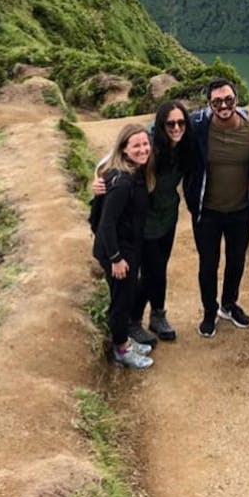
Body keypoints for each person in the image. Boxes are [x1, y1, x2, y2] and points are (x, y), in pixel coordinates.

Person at [184, 78, 249, 339]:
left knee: (236, 262)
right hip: (206, 212)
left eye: (228, 99)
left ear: (236, 99)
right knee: (208, 265)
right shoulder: (197, 126)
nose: (223, 105)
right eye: (217, 101)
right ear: (209, 104)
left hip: (240, 210)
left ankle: (229, 305)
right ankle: (210, 311)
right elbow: (160, 133)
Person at [126, 101, 195, 345]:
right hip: (146, 222)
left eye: (181, 122)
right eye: (170, 123)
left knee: (160, 268)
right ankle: (132, 321)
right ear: (161, 124)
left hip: (168, 217)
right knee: (151, 271)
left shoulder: (184, 145)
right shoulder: (150, 145)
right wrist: (99, 180)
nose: (177, 127)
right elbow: (115, 159)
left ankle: (157, 315)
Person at [92, 123, 157, 370]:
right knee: (121, 300)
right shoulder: (122, 182)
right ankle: (121, 349)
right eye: (136, 145)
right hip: (116, 250)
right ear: (124, 149)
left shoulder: (135, 171)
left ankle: (124, 341)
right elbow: (107, 225)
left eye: (145, 144)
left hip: (127, 246)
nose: (143, 149)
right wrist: (116, 259)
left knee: (126, 294)